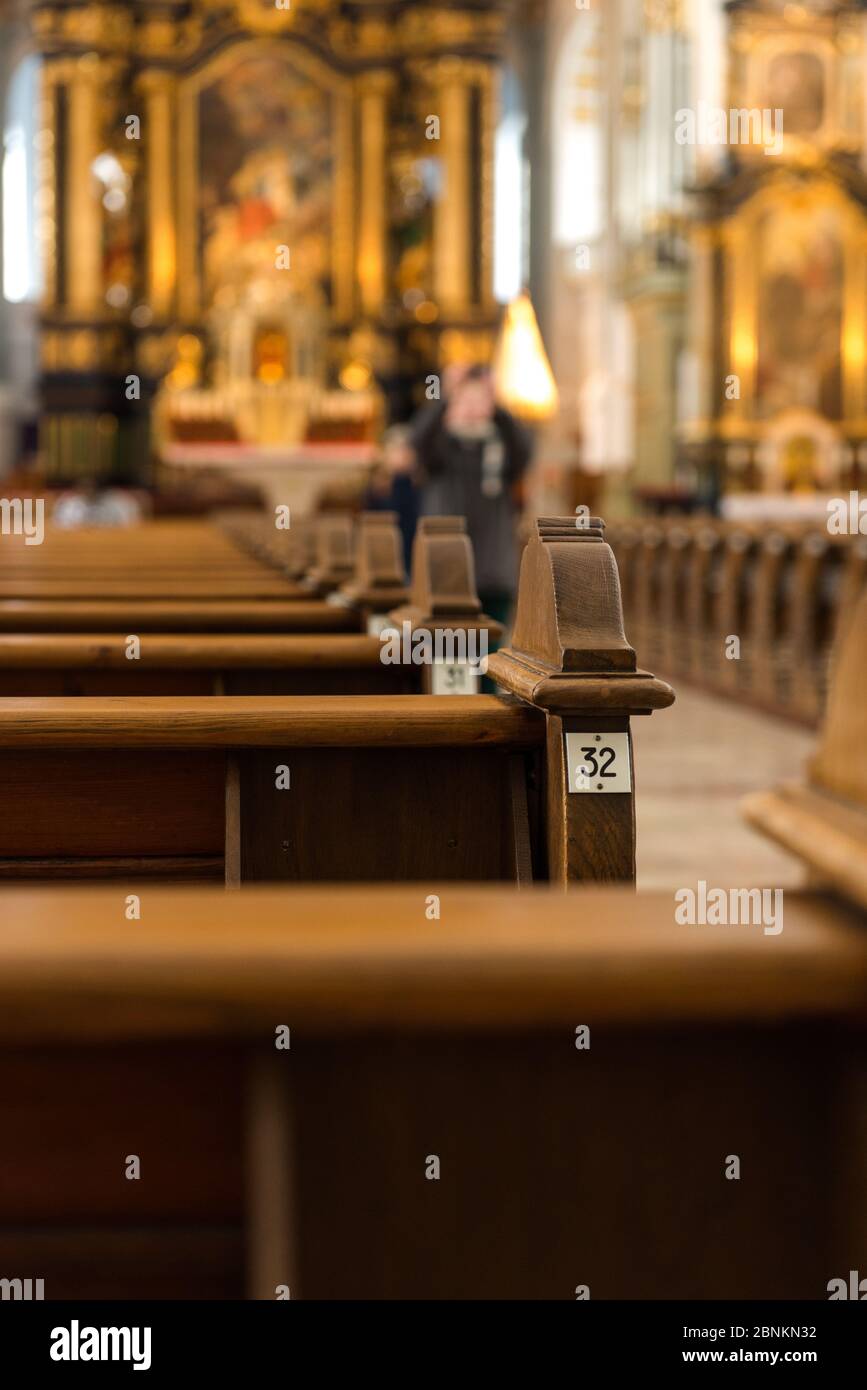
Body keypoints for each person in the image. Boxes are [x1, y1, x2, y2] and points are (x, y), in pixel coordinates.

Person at [409, 365, 531, 626]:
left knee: (489, 656)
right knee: (449, 656)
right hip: (445, 570)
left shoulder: (502, 445)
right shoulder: (440, 447)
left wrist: (497, 405)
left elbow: (525, 448)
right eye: (465, 400)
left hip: (493, 571)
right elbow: (418, 439)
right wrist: (445, 399)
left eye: (480, 400)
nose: (473, 408)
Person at [362, 425, 420, 575]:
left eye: (406, 450)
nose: (402, 455)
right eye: (396, 450)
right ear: (385, 454)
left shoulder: (418, 483)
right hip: (384, 556)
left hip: (414, 553)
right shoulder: (376, 487)